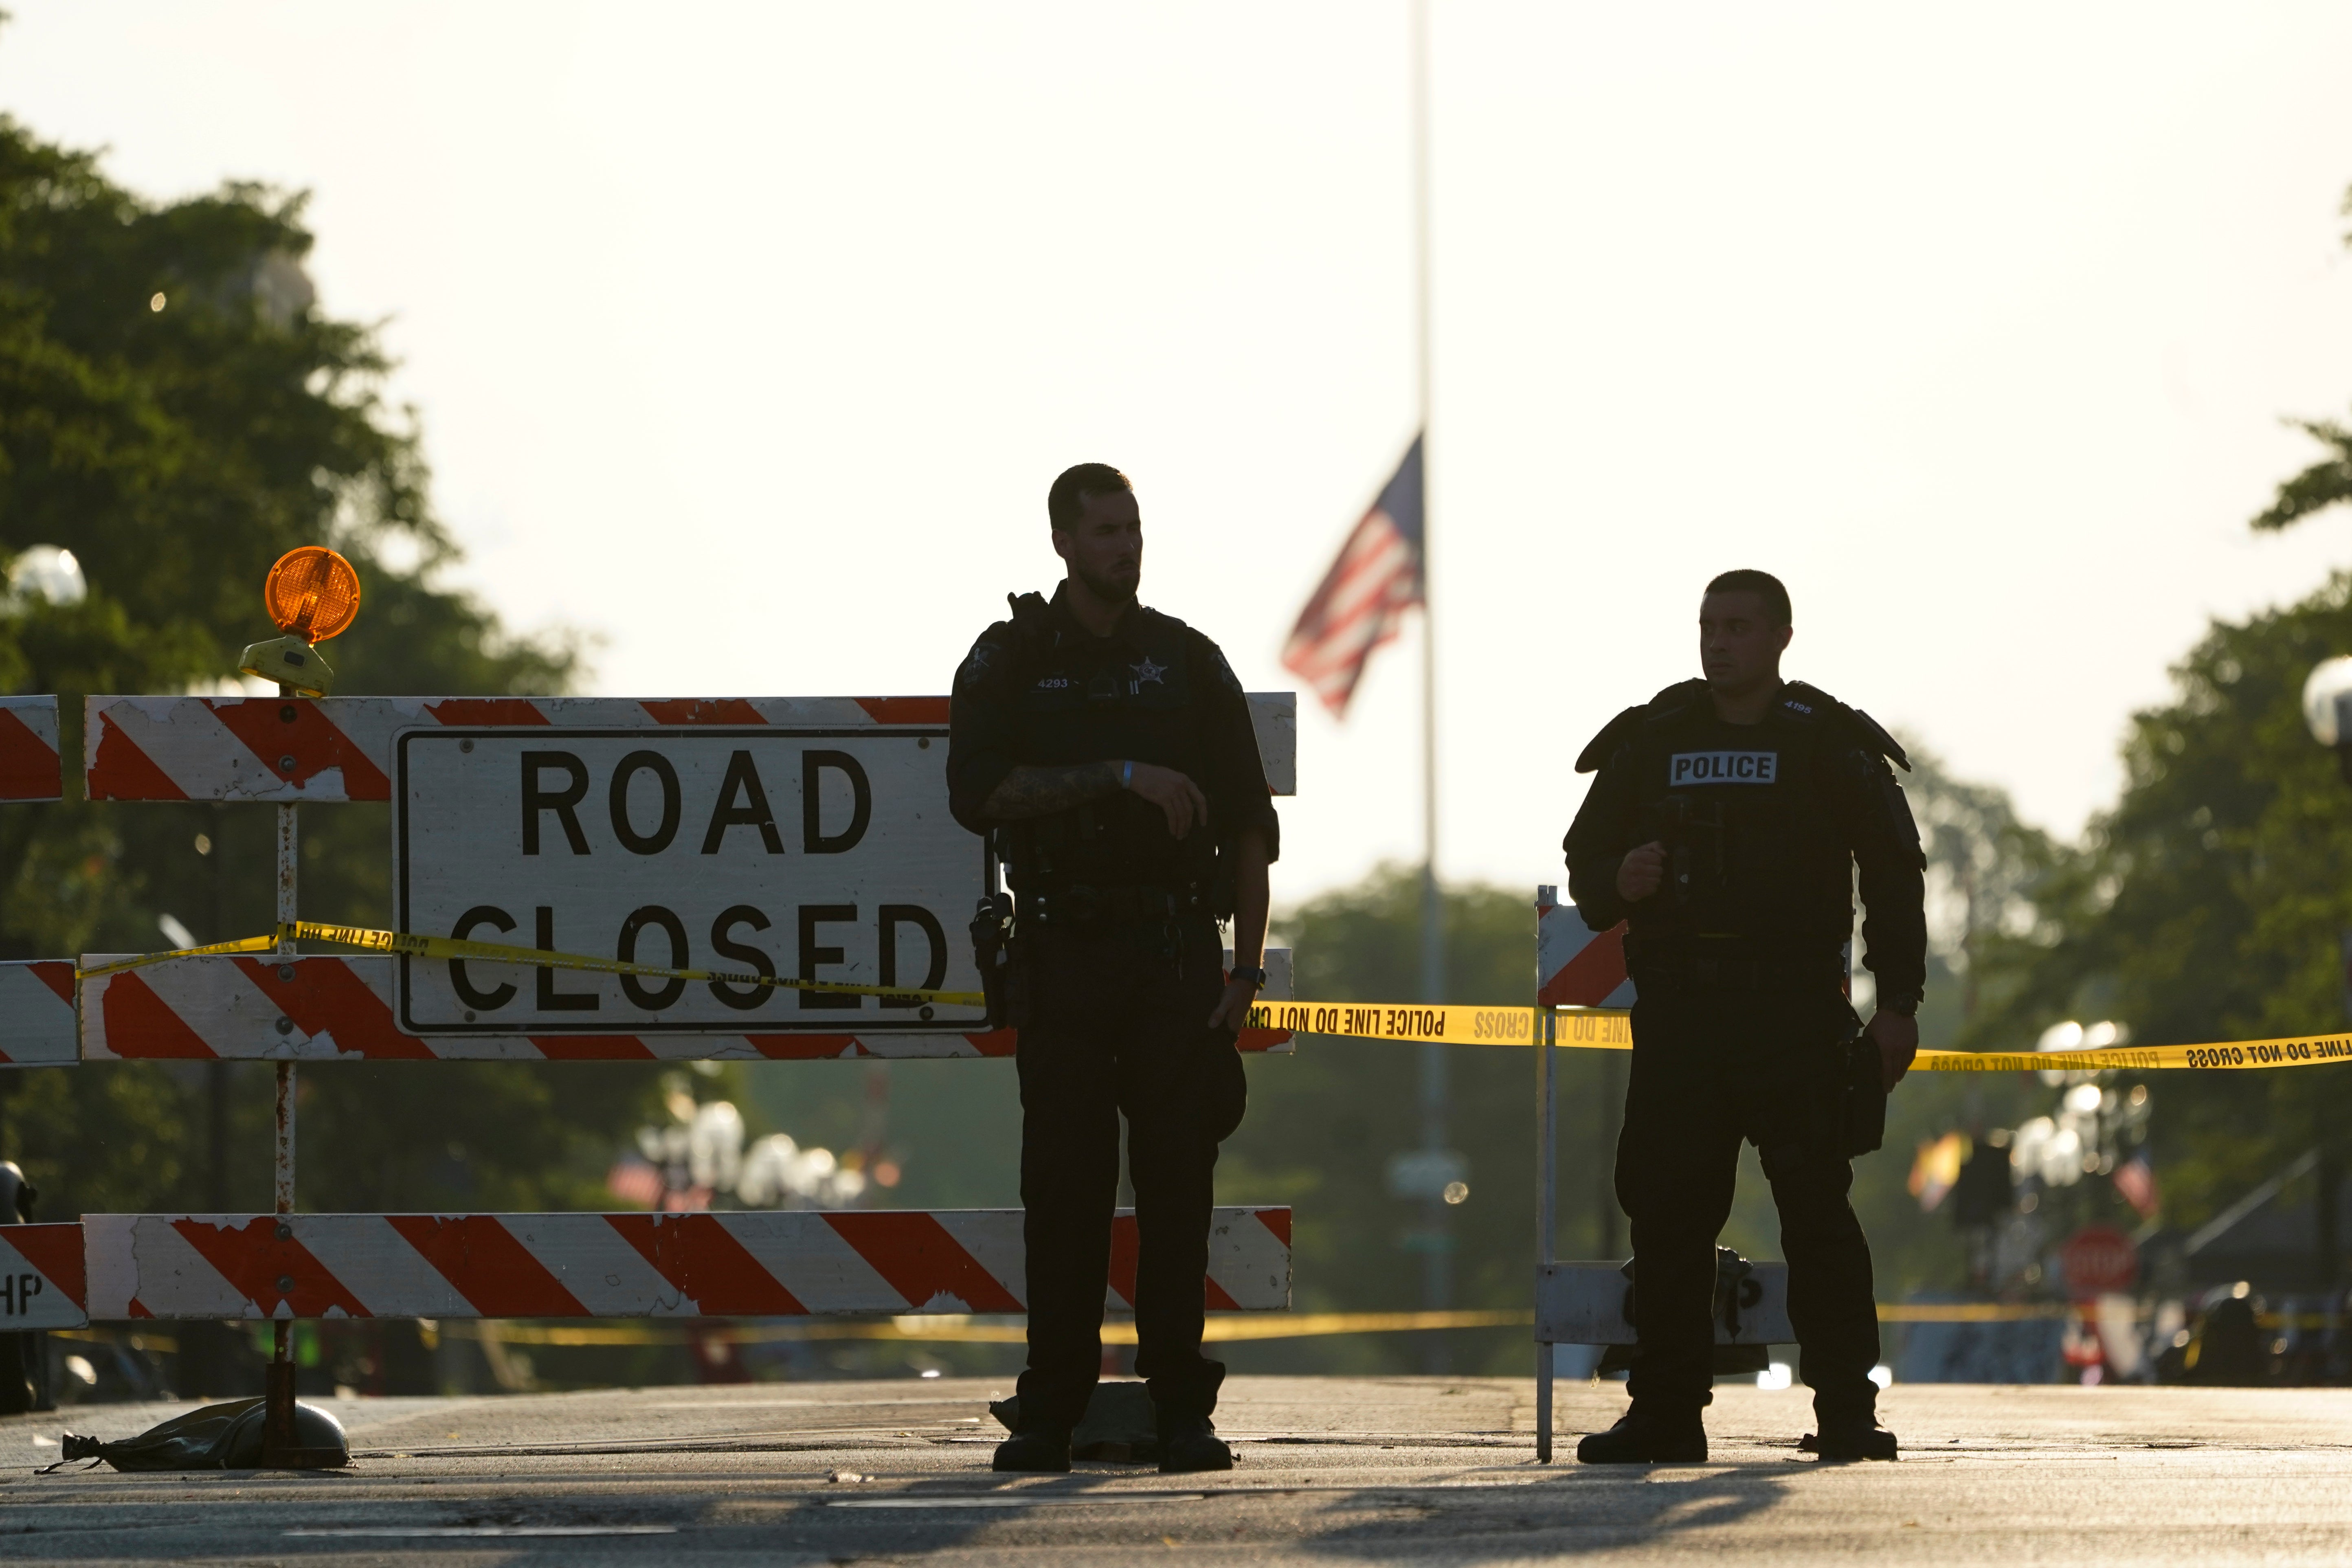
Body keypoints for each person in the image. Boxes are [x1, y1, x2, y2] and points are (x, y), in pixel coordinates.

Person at [947, 463, 1278, 1475]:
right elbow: (979, 792)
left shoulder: (1185, 662)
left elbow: (1251, 831)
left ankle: (1182, 1406)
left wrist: (1246, 973)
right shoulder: (1009, 660)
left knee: (1177, 1193)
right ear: (1062, 542)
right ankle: (1051, 1406)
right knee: (1064, 1193)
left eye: (1131, 529)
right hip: (1062, 954)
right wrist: (1121, 776)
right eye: (1103, 531)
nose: (1123, 547)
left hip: (1174, 957)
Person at [1561, 569, 1925, 1464]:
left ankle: (1845, 1408)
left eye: (1737, 626)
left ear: (1778, 638)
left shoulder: (1826, 743)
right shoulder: (1653, 738)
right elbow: (1584, 861)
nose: (1717, 641)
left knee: (1815, 1213)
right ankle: (1665, 1411)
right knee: (1667, 1216)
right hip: (1682, 1018)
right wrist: (1618, 881)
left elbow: (1892, 875)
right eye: (1706, 625)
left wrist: (1898, 1005)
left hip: (1793, 1017)